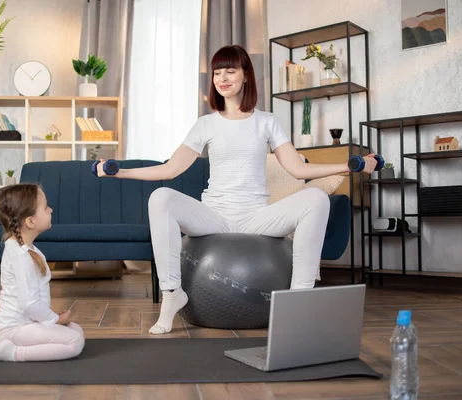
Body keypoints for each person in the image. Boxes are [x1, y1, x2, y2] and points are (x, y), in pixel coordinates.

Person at [95, 45, 377, 335]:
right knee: (161, 197)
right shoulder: (206, 124)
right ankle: (171, 294)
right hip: (214, 216)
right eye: (217, 72)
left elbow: (298, 169)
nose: (222, 78)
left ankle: (299, 299)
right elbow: (171, 169)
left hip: (257, 218)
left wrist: (347, 166)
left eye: (230, 71)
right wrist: (121, 173)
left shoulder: (266, 121)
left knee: (316, 198)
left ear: (246, 76)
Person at [0, 183, 86, 361]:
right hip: (14, 329)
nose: (51, 210)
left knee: (76, 330)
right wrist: (53, 320)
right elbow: (28, 304)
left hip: (26, 323)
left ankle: (8, 345)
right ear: (30, 221)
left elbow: (33, 296)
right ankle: (11, 352)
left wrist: (51, 315)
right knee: (75, 342)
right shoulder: (21, 255)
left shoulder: (25, 249)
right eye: (45, 208)